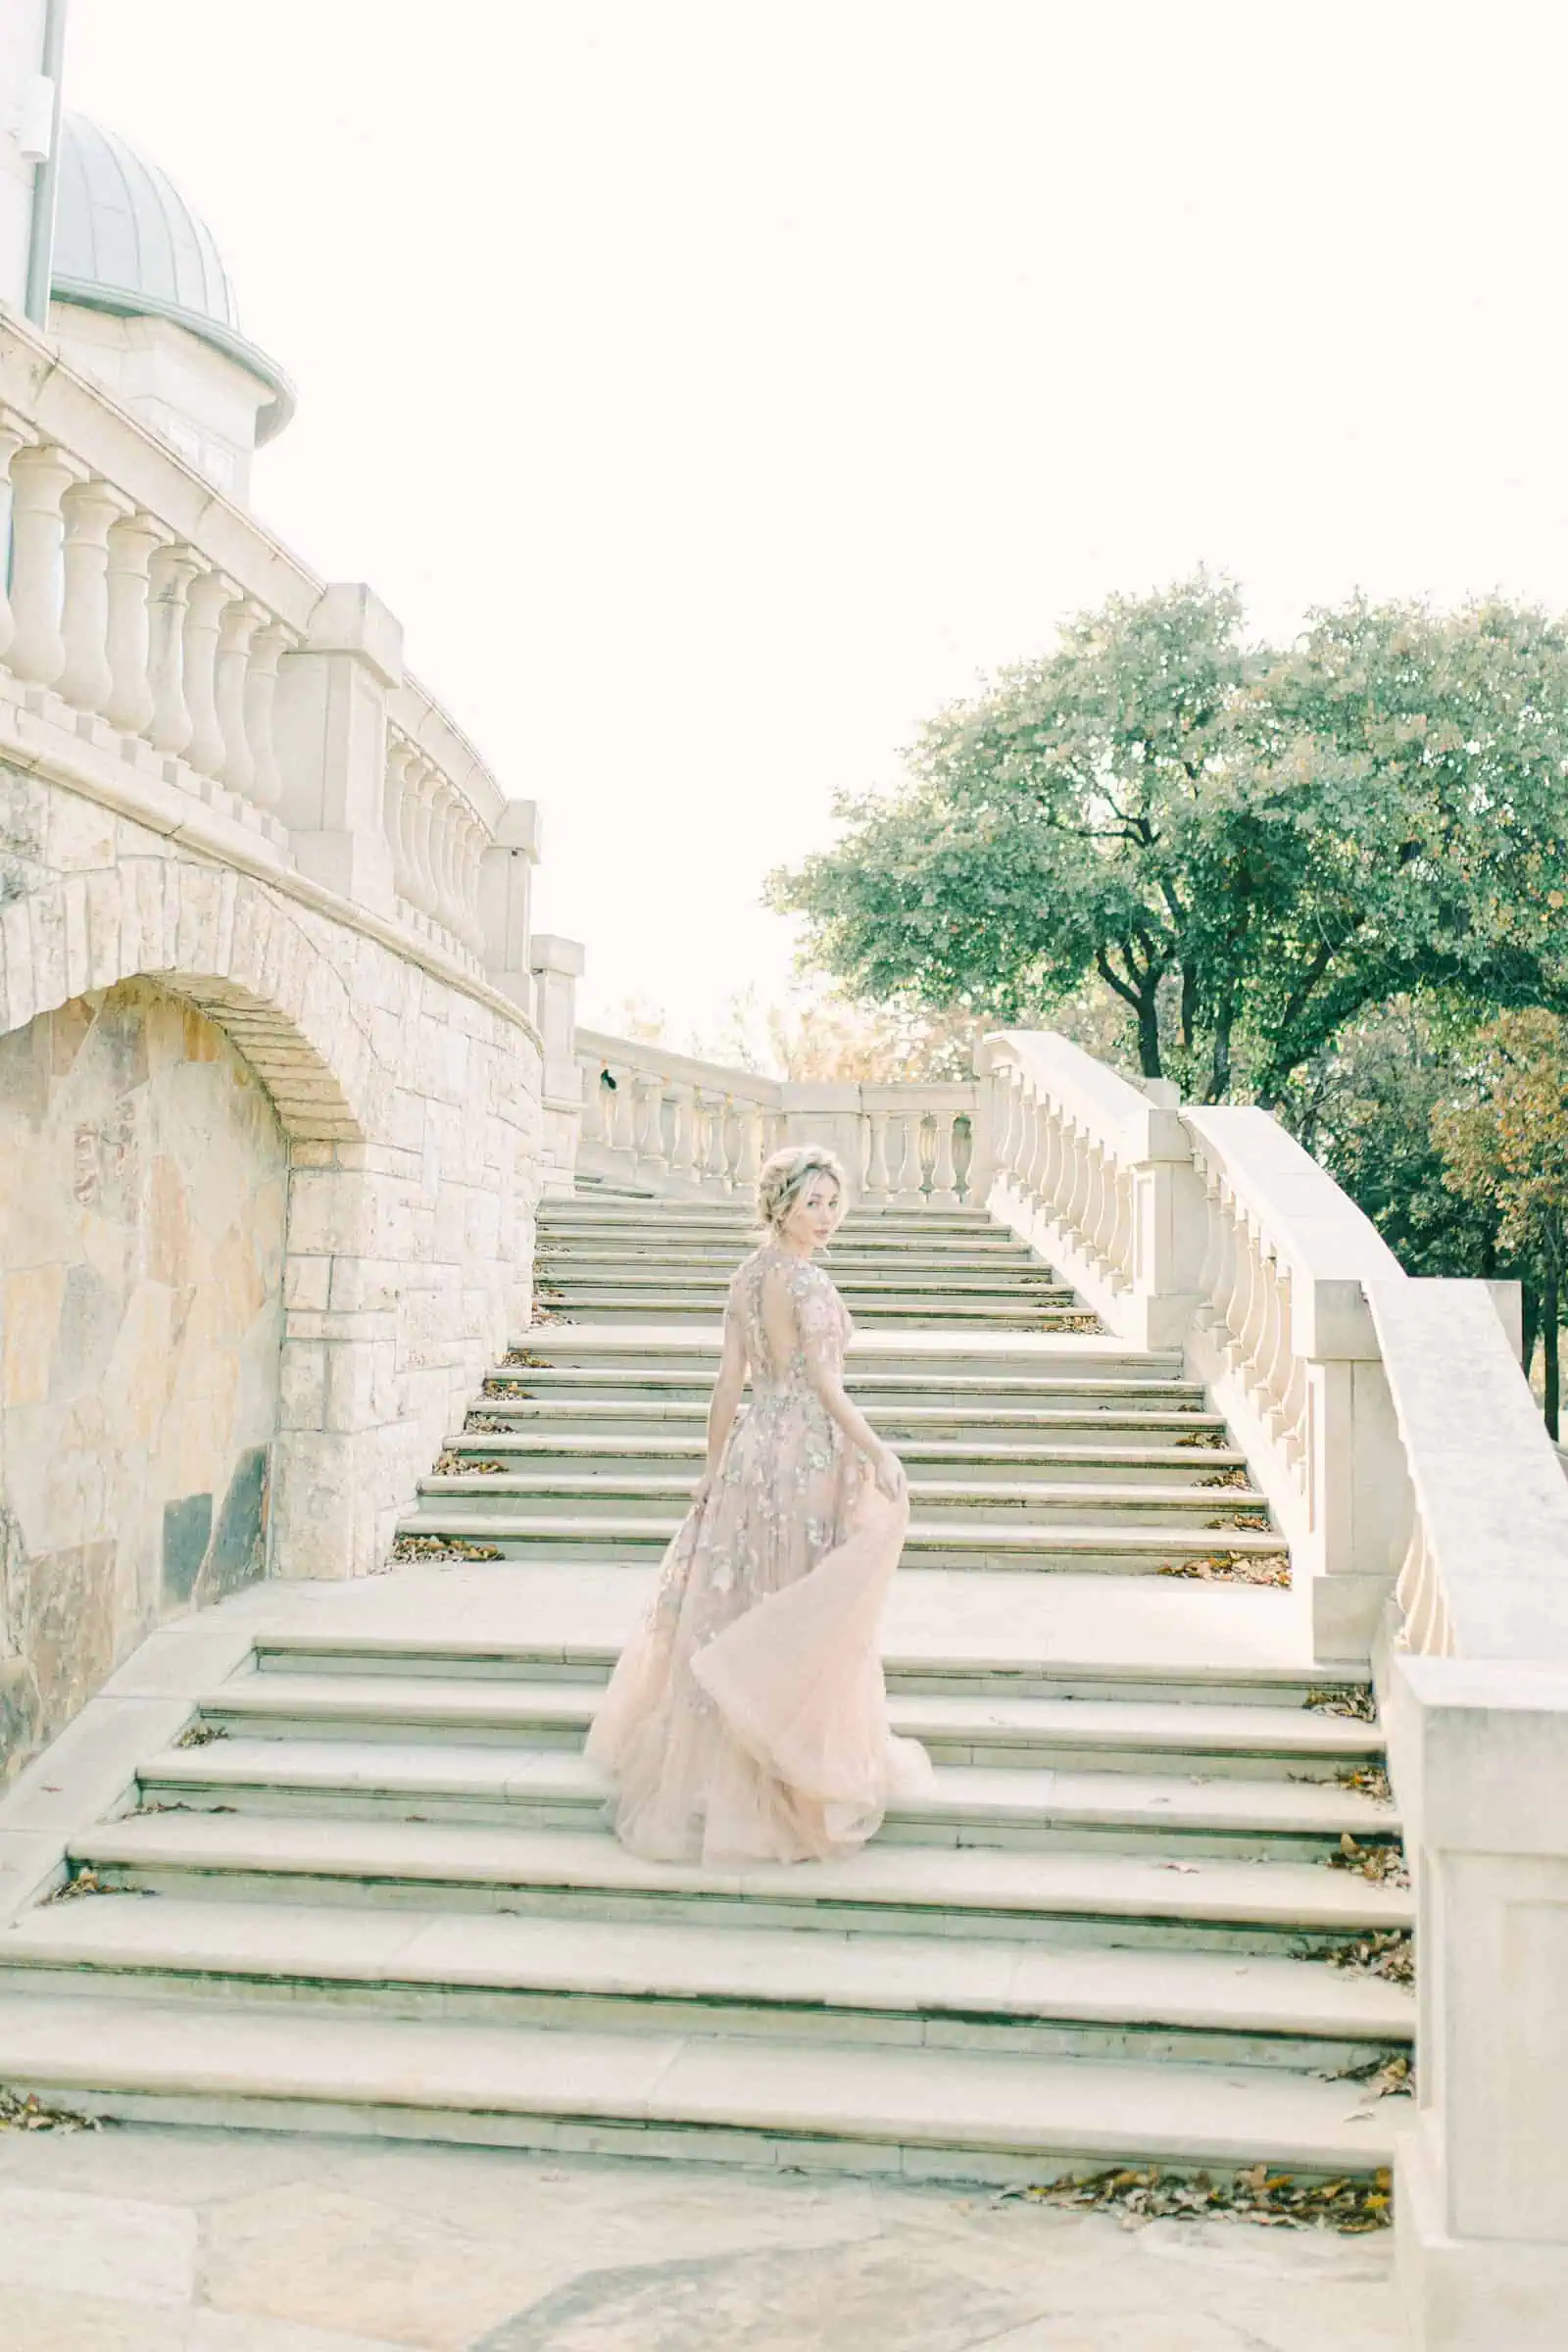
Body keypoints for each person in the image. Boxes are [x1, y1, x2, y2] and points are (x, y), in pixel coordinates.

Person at [585, 1143, 932, 1864]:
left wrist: (715, 1469)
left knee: (743, 1599)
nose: (827, 1217)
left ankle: (740, 1765)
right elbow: (827, 1388)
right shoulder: (804, 1284)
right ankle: (787, 1775)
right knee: (796, 1602)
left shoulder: (746, 1280)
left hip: (752, 1452)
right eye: (814, 1204)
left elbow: (728, 1383)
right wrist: (878, 1451)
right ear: (782, 1206)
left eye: (834, 1204)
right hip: (805, 1449)